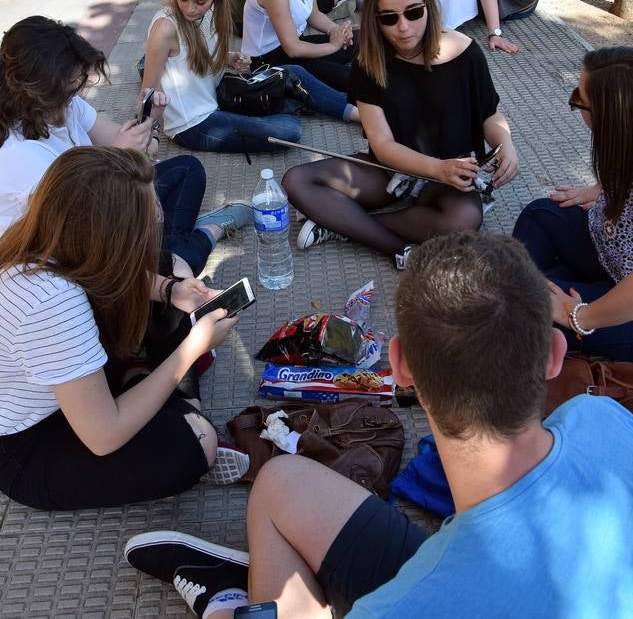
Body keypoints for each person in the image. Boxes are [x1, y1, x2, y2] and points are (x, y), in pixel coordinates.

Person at [125, 230, 633, 619]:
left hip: (449, 582)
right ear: (555, 354)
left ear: (399, 366)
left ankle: (230, 602)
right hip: (475, 563)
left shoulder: (395, 610)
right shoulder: (602, 414)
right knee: (280, 481)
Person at [0, 147, 251, 511]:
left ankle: (143, 381)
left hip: (70, 382)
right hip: (32, 444)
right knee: (196, 443)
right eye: (150, 218)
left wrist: (169, 289)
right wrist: (192, 350)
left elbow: (108, 272)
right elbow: (103, 435)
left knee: (169, 271)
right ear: (110, 236)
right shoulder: (51, 304)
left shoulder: (40, 233)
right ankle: (171, 400)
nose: (158, 218)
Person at [282, 0, 518, 266]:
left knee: (463, 220)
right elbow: (382, 145)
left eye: (413, 13)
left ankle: (343, 223)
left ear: (429, 7)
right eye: (389, 18)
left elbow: (490, 114)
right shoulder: (369, 62)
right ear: (375, 20)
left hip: (452, 172)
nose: (403, 27)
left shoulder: (467, 52)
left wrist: (506, 144)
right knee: (296, 181)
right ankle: (396, 248)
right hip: (392, 169)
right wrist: (435, 168)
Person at [0, 16, 246, 278]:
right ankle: (204, 236)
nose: (79, 94)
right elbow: (87, 227)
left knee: (189, 168)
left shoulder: (65, 106)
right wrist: (123, 157)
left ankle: (174, 247)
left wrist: (148, 121)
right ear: (38, 91)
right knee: (170, 279)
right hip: (70, 249)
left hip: (102, 208)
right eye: (71, 89)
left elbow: (133, 144)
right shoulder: (19, 156)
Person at [141, 0, 357, 154]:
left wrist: (231, 57)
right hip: (193, 124)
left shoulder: (212, 12)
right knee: (289, 130)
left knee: (294, 72)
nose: (190, 8)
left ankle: (359, 112)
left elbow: (196, 54)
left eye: (200, 2)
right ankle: (296, 101)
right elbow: (148, 92)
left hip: (220, 96)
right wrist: (152, 137)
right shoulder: (165, 27)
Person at [514, 46, 633, 361]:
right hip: (612, 255)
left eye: (579, 99)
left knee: (526, 305)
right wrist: (599, 189)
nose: (574, 105)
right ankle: (538, 283)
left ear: (612, 115)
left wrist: (578, 316)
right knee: (541, 213)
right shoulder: (625, 138)